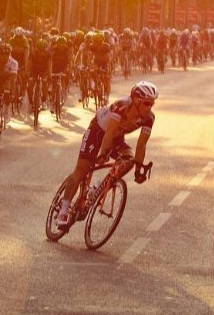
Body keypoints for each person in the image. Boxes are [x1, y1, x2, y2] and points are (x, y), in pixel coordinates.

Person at [51, 81, 157, 232]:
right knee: (82, 170)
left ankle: (99, 187)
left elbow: (141, 145)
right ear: (137, 100)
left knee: (128, 160)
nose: (149, 108)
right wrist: (103, 153)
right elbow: (109, 133)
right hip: (98, 131)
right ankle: (64, 209)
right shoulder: (122, 106)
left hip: (116, 137)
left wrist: (138, 169)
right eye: (147, 103)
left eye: (152, 104)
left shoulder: (149, 118)